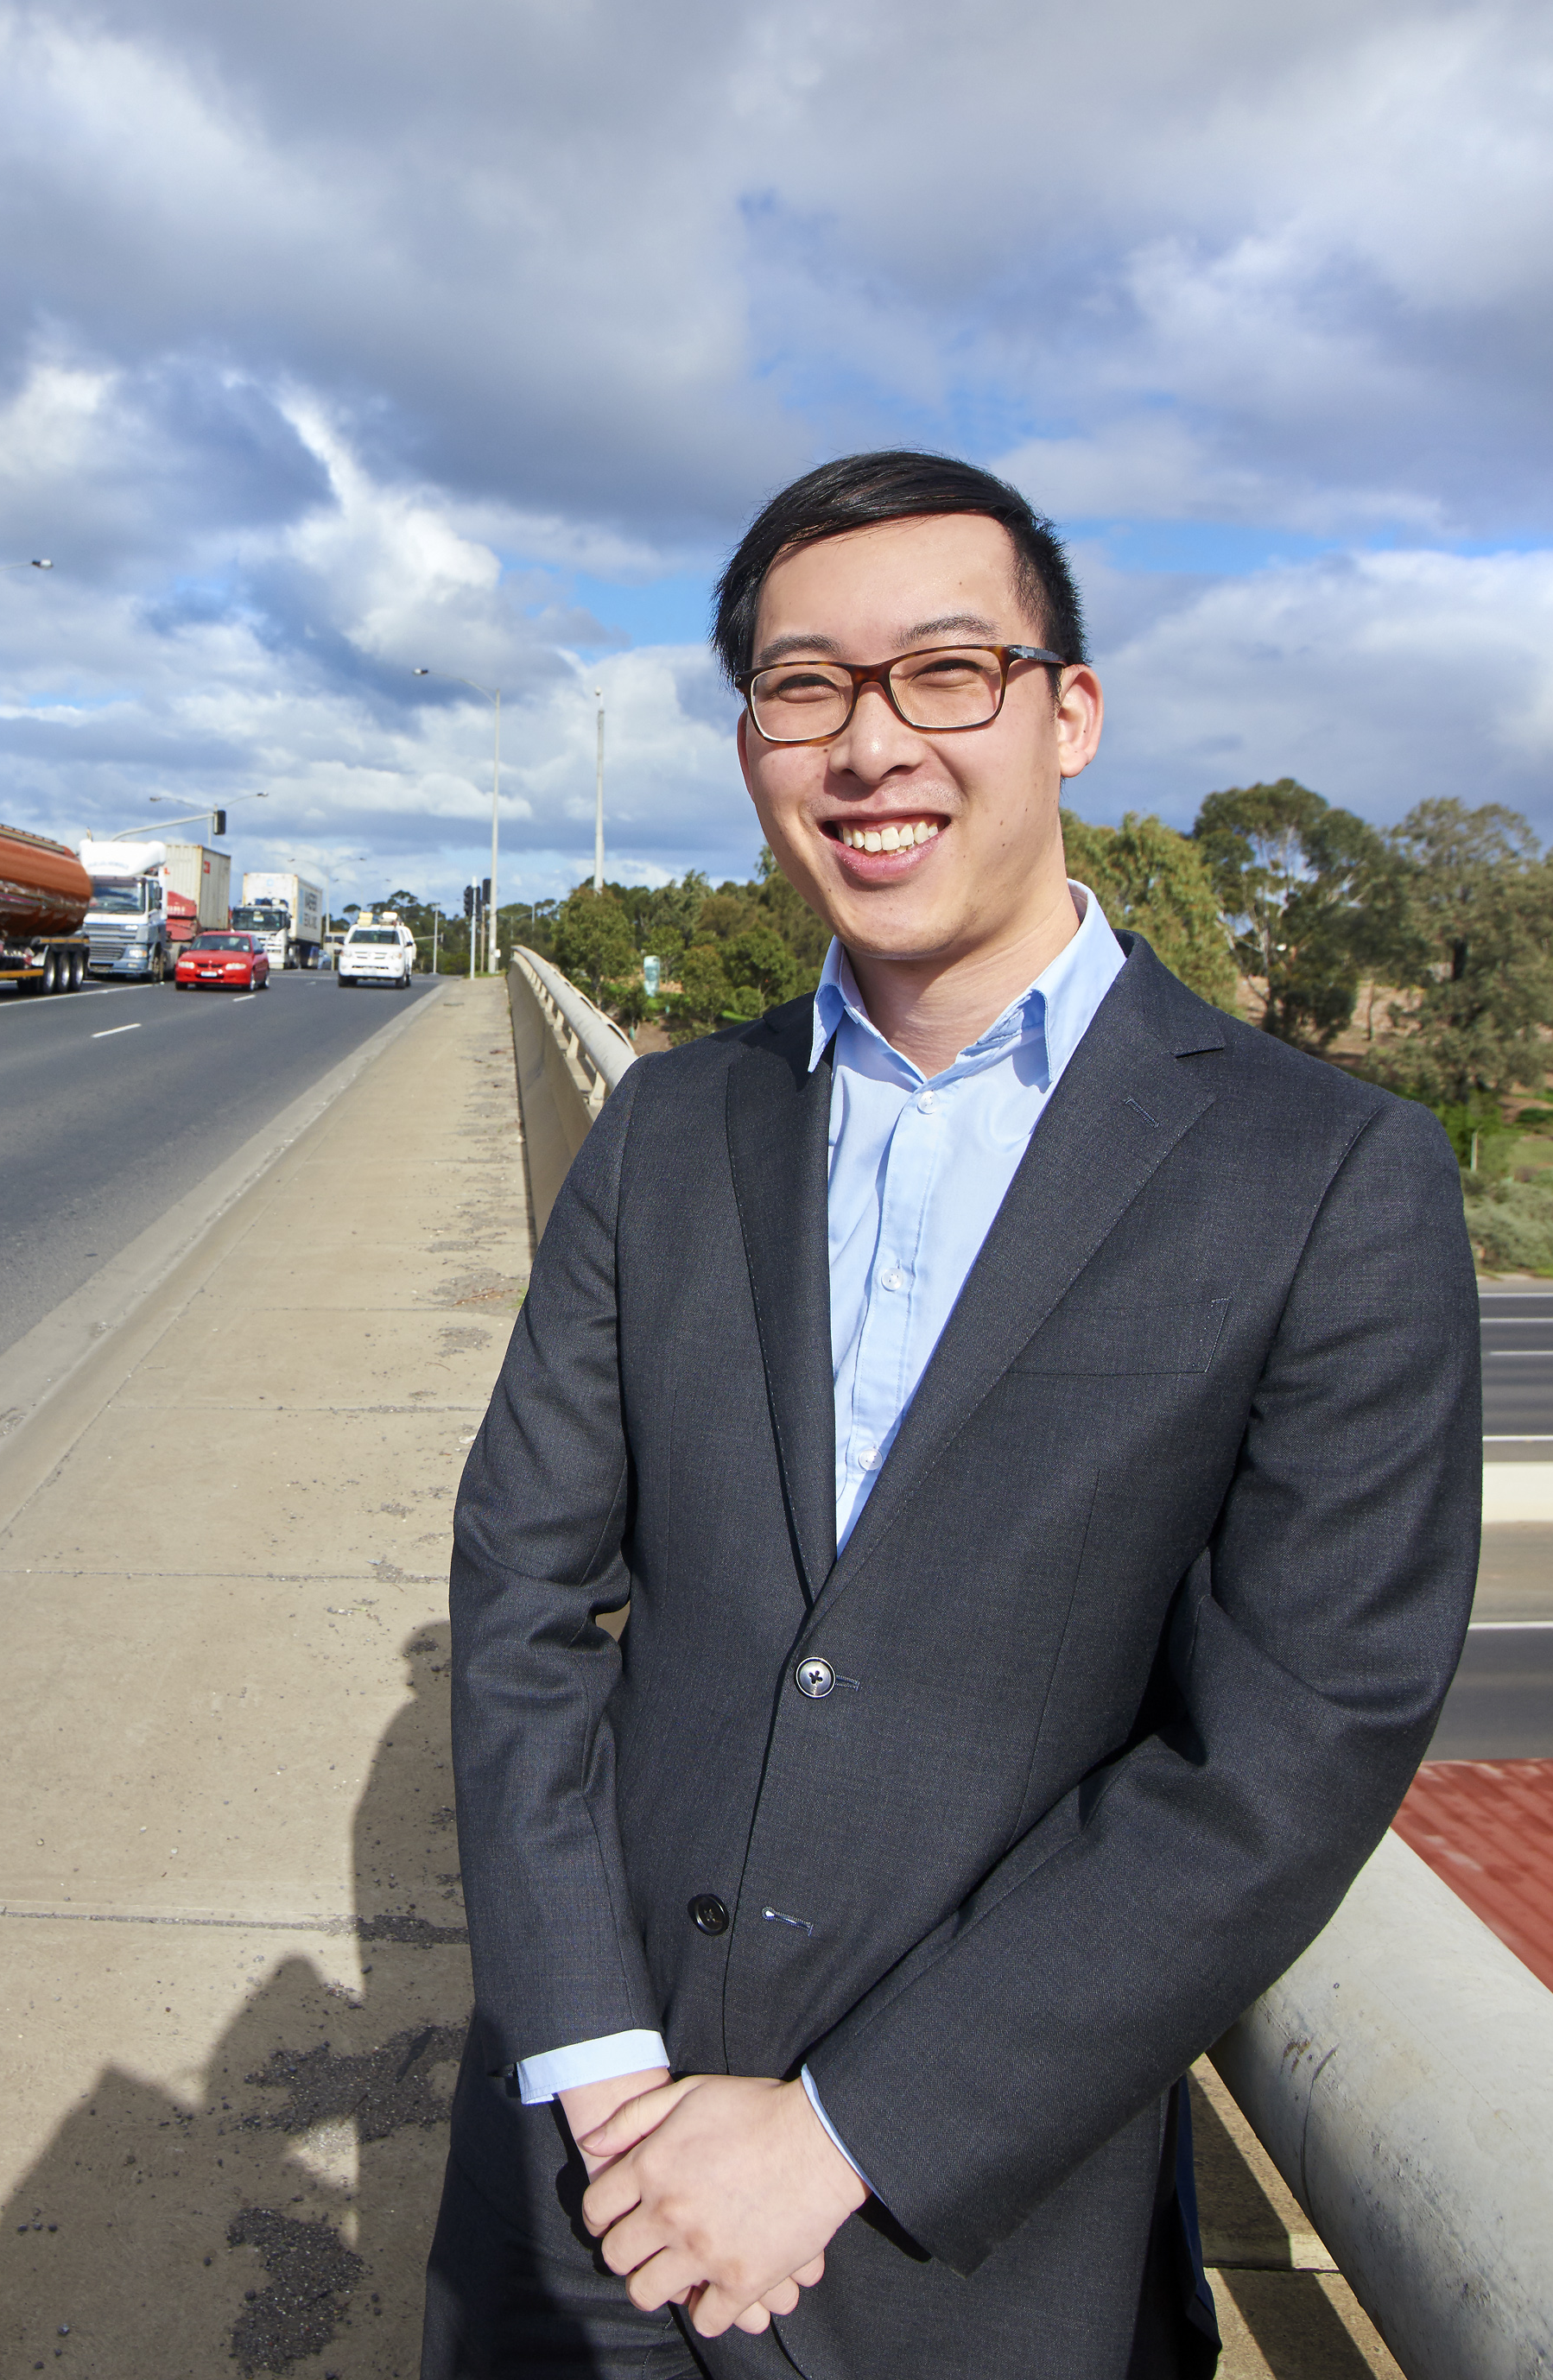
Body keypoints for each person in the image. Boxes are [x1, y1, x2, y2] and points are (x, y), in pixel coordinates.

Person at [422, 451, 1479, 2377]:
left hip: (977, 2242)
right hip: (588, 2186)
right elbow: (518, 1599)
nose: (866, 745)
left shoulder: (1324, 1171)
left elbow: (1288, 1748)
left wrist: (841, 2134)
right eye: (801, 686)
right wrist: (591, 2066)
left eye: (942, 673)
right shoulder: (672, 1124)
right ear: (750, 742)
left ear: (1065, 711)